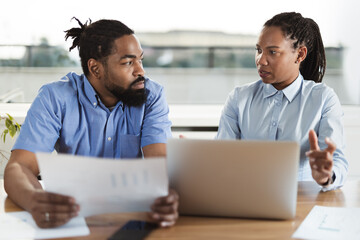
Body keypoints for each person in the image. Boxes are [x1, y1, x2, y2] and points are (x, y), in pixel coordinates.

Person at [4, 18, 178, 228]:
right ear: (95, 68)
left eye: (140, 60)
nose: (140, 71)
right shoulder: (55, 97)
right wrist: (34, 200)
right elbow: (19, 167)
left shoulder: (151, 96)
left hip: (133, 220)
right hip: (73, 221)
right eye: (128, 63)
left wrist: (166, 196)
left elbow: (160, 166)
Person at [216, 12, 347, 191]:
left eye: (273, 52)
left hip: (301, 202)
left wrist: (327, 175)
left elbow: (337, 161)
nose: (260, 60)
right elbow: (221, 157)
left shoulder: (323, 99)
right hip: (247, 198)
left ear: (299, 54)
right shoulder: (239, 98)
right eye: (258, 50)